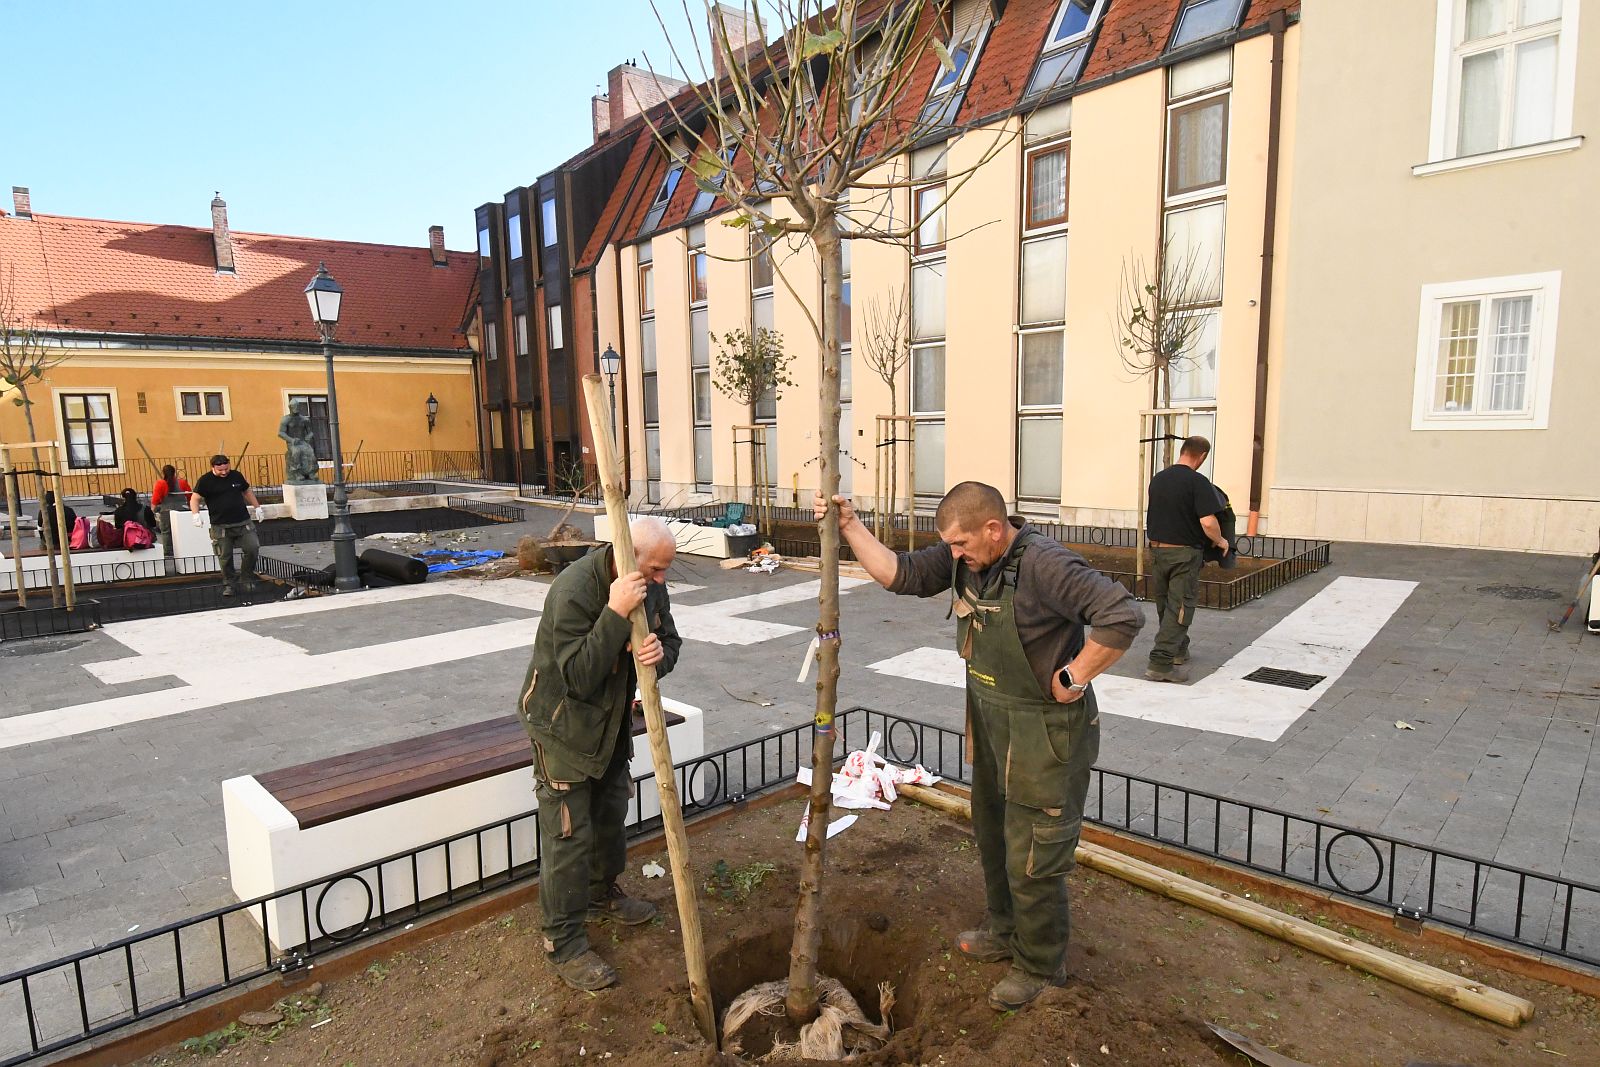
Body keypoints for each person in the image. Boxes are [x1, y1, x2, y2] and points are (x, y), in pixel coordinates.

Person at [818, 481, 1143, 1011]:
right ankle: (1005, 929)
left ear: (994, 529)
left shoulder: (1046, 564)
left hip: (1046, 732)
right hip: (992, 724)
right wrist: (850, 524)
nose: (955, 555)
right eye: (950, 546)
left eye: (961, 544)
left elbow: (1122, 615)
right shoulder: (966, 559)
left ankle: (1041, 964)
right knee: (993, 830)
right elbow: (897, 574)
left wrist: (1074, 676)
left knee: (1034, 850)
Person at [516, 517, 682, 992]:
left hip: (609, 724)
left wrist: (658, 656)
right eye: (654, 569)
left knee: (610, 813)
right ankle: (563, 942)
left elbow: (669, 640)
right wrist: (614, 614)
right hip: (562, 726)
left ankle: (598, 895)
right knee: (569, 835)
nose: (660, 580)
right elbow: (578, 676)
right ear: (625, 556)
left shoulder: (650, 586)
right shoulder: (573, 591)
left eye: (665, 570)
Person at [1144, 436, 1230, 683]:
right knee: (1180, 606)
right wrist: (1222, 541)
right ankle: (1160, 663)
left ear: (1182, 451)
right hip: (1183, 553)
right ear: (1201, 456)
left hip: (1158, 551)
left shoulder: (1158, 479)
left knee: (1165, 604)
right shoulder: (1198, 482)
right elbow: (1207, 522)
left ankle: (1178, 650)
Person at [189, 454, 264, 598]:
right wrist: (195, 514)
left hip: (243, 522)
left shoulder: (236, 476)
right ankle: (229, 584)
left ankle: (246, 578)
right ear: (213, 467)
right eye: (220, 470)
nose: (224, 472)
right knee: (225, 556)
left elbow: (246, 491)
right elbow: (195, 498)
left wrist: (257, 507)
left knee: (253, 548)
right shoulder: (205, 481)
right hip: (220, 526)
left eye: (226, 469)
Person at [152, 464, 192, 560]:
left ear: (163, 473)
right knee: (182, 531)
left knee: (166, 532)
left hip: (166, 511)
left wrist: (153, 510)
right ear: (175, 472)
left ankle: (168, 553)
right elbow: (190, 496)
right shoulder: (182, 483)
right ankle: (185, 550)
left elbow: (155, 500)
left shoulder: (160, 484)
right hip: (182, 510)